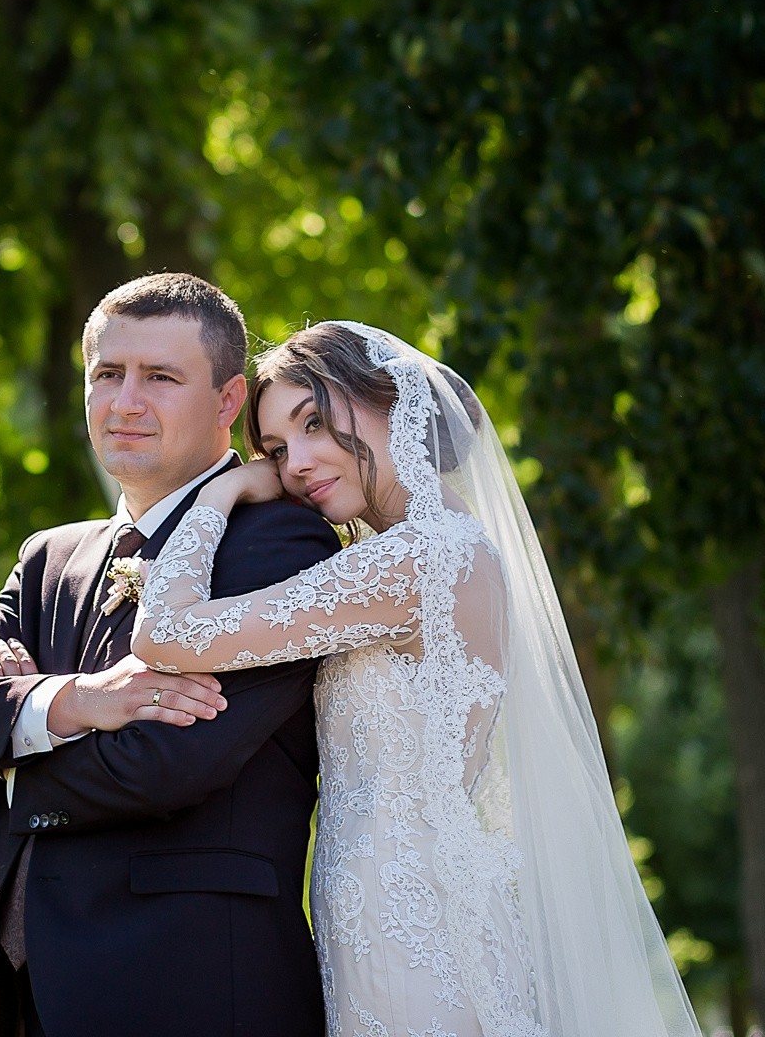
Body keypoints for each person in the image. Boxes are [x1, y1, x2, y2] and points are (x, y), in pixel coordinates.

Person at [130, 321, 701, 1037]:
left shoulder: (418, 561)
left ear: (394, 402)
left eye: (314, 423)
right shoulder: (436, 549)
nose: (296, 463)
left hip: (409, 919)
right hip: (401, 906)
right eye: (276, 450)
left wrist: (227, 490)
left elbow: (164, 632)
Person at [0, 274, 342, 1037]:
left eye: (160, 378)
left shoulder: (279, 543)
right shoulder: (49, 559)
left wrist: (11, 741)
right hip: (30, 999)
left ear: (229, 402)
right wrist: (72, 702)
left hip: (194, 994)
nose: (124, 402)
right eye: (107, 374)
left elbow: (163, 764)